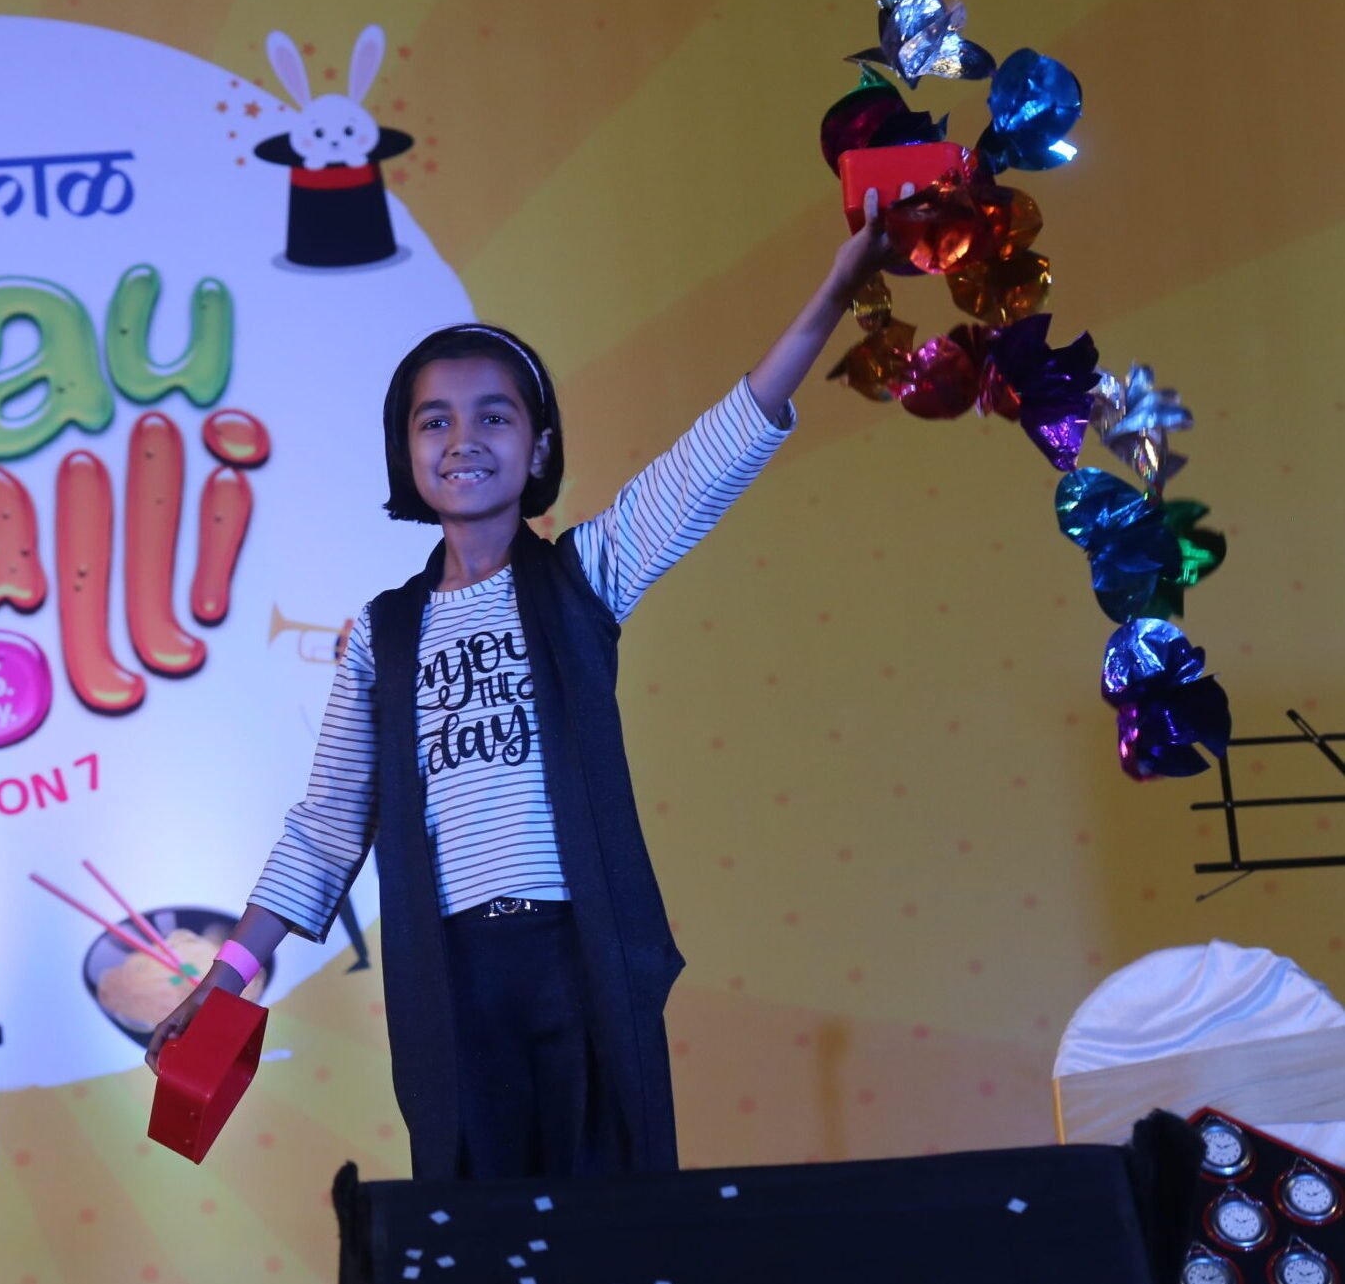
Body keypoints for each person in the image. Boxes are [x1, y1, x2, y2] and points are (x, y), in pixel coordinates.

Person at [146, 185, 914, 1180]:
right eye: (434, 420)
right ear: (407, 454)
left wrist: (834, 291)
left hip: (581, 955)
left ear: (539, 445)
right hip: (448, 978)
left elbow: (716, 449)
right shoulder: (382, 635)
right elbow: (328, 826)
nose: (462, 438)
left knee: (611, 1221)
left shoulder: (583, 575)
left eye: (494, 415)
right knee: (479, 1222)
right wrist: (229, 973)